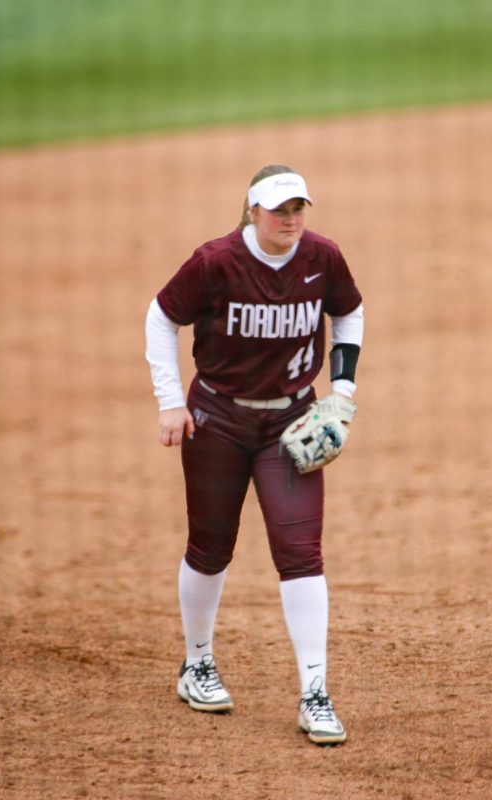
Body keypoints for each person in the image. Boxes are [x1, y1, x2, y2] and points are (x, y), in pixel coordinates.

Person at [144, 165, 365, 746]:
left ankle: (315, 692)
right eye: (279, 209)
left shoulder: (323, 257)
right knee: (210, 548)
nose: (291, 219)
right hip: (217, 420)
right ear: (252, 211)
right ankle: (198, 664)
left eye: (298, 208)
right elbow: (162, 316)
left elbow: (348, 311)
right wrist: (171, 403)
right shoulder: (215, 262)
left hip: (289, 422)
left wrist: (342, 391)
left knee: (300, 553)